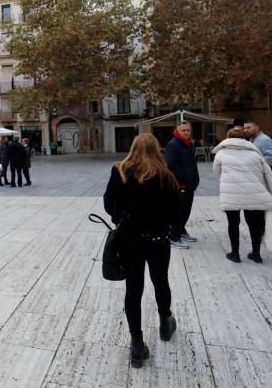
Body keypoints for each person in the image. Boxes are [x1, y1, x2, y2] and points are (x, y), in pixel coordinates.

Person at [103, 133, 179, 369]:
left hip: (129, 240)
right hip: (157, 239)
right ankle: (166, 321)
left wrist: (121, 214)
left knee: (133, 289)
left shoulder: (120, 171)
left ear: (132, 147)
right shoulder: (166, 175)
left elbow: (108, 204)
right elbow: (176, 212)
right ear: (157, 149)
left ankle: (137, 345)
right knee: (160, 280)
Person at [213, 127, 272, 263]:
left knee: (233, 223)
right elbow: (269, 175)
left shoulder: (221, 154)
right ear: (244, 139)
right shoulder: (256, 155)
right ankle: (256, 254)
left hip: (231, 193)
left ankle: (235, 253)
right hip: (254, 193)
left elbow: (217, 173)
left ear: (228, 138)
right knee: (254, 225)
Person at [165, 121, 200, 249]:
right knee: (179, 212)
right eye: (183, 130)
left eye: (188, 130)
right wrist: (184, 181)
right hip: (181, 185)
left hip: (189, 184)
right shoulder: (173, 144)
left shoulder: (189, 144)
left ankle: (181, 231)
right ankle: (173, 237)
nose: (186, 132)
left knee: (186, 211)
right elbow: (172, 166)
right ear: (177, 131)